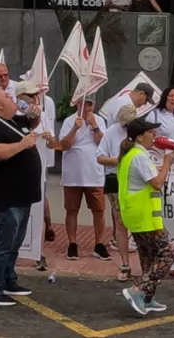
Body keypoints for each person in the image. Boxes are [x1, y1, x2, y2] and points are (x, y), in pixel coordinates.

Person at [0, 86, 48, 306]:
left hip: (21, 195)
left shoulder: (11, 122)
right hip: (4, 197)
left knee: (13, 243)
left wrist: (34, 114)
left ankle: (8, 279)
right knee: (3, 244)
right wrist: (22, 144)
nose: (12, 98)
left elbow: (30, 122)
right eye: (7, 97)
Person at [118, 118, 174, 316]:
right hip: (145, 217)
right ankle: (137, 289)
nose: (155, 136)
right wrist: (167, 163)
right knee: (168, 254)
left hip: (136, 215)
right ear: (140, 137)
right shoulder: (140, 157)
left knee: (149, 258)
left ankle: (147, 298)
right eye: (151, 133)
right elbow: (157, 184)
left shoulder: (131, 155)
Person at [13, 78, 58, 269]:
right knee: (14, 215)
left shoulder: (43, 116)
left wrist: (49, 139)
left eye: (35, 95)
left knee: (36, 212)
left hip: (37, 172)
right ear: (20, 96)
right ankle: (11, 254)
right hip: (14, 172)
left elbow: (53, 144)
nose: (34, 99)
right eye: (30, 95)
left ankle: (37, 253)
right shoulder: (11, 114)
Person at [59, 98, 110, 261]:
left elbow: (104, 144)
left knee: (98, 210)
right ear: (77, 104)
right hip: (73, 174)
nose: (86, 107)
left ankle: (99, 244)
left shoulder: (100, 120)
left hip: (94, 174)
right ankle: (72, 243)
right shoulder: (69, 121)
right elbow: (64, 145)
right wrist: (75, 128)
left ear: (93, 105)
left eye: (89, 104)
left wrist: (94, 126)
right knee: (72, 210)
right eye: (83, 103)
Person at [97, 104, 140, 281]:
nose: (126, 127)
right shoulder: (111, 132)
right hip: (115, 179)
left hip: (135, 180)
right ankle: (125, 264)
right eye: (124, 124)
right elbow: (99, 157)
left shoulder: (140, 131)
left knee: (138, 221)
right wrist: (119, 161)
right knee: (120, 222)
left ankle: (144, 262)